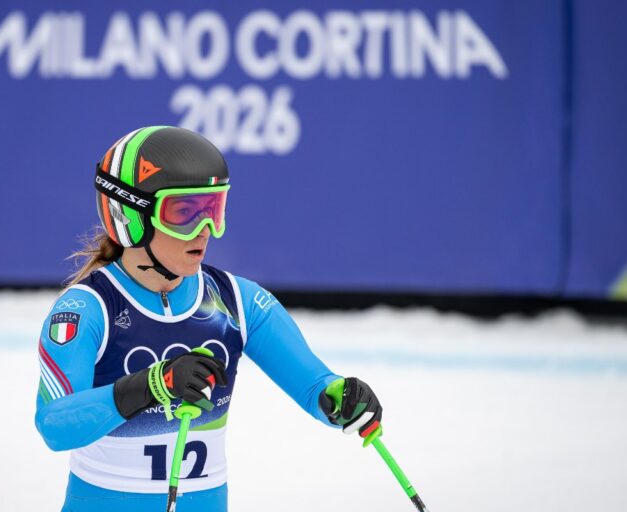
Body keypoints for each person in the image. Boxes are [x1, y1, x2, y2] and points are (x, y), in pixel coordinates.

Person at [35, 126, 382, 512]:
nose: (204, 231)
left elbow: (315, 386)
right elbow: (54, 425)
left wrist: (341, 397)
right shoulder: (87, 309)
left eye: (212, 210)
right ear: (131, 215)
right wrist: (154, 384)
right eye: (184, 213)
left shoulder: (239, 301)